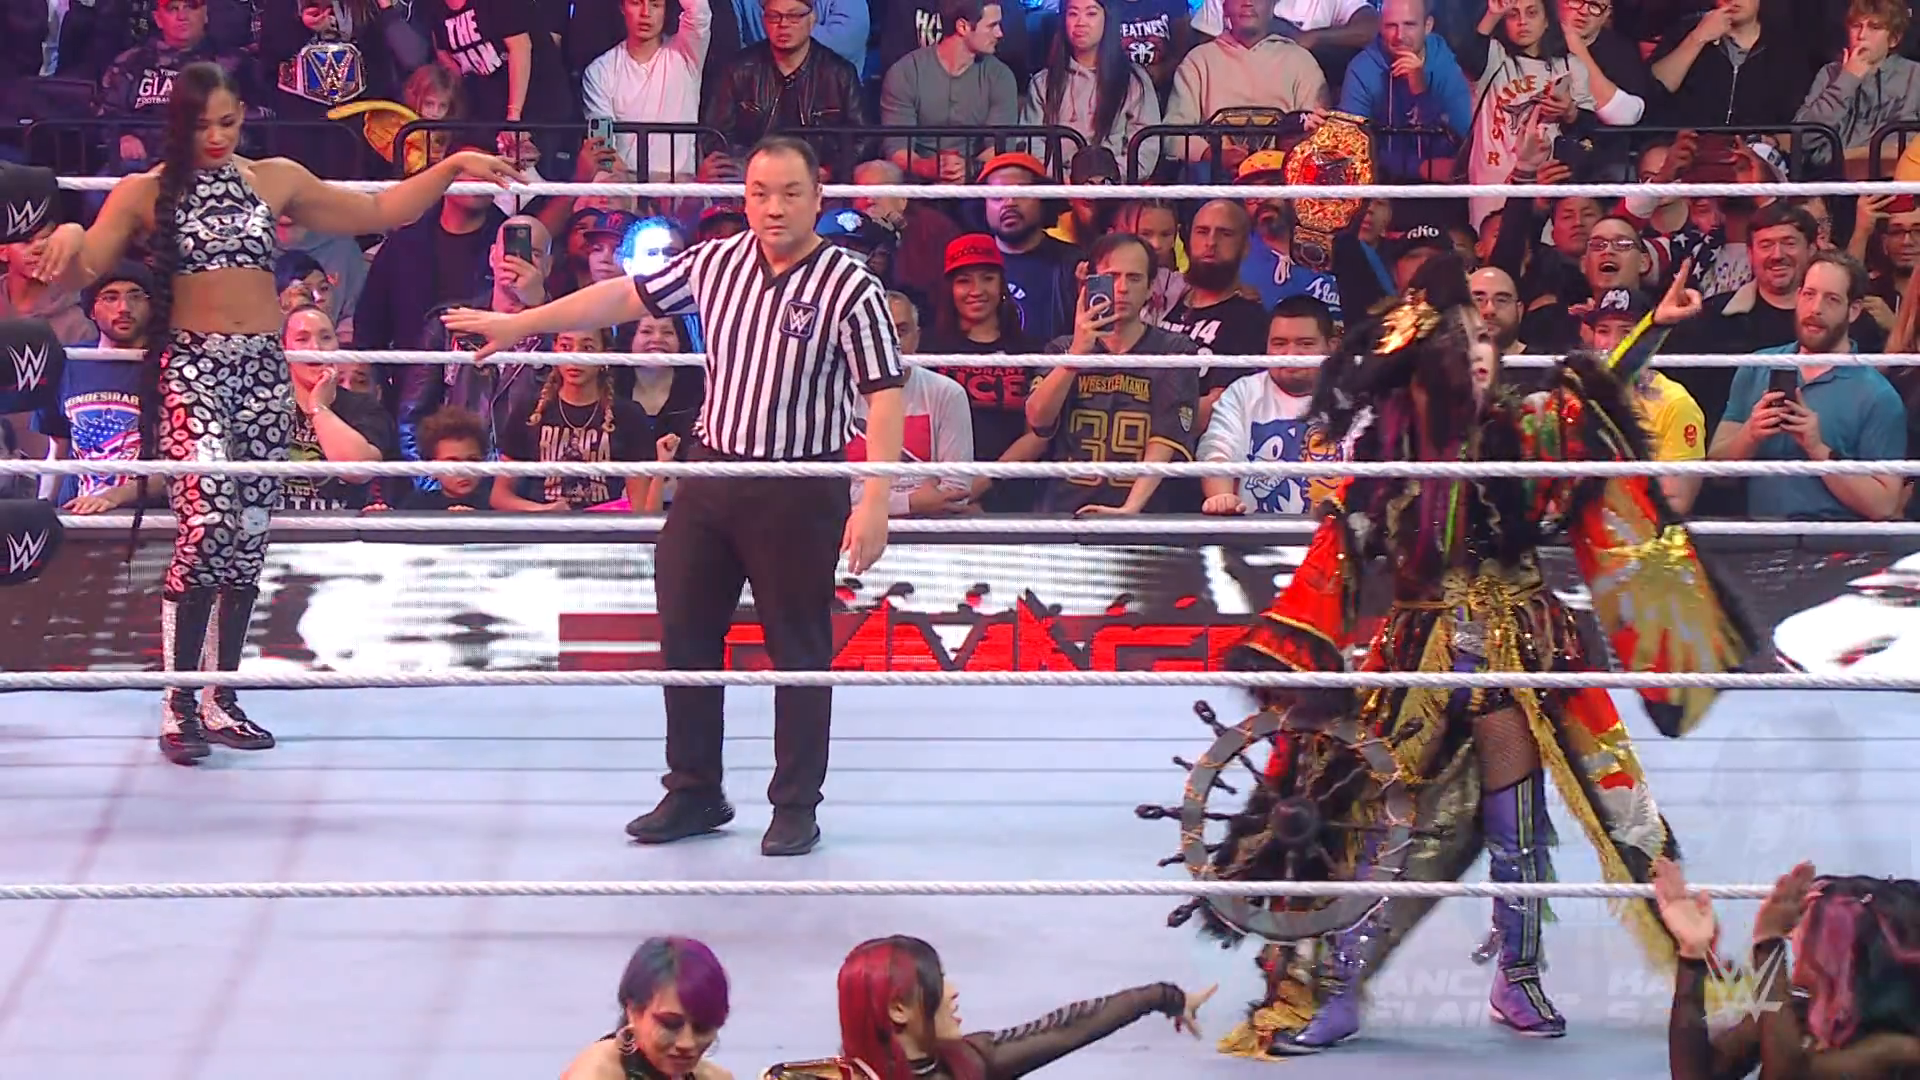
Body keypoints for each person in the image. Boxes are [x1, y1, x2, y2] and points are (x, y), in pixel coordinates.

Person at [1150, 254, 1756, 1056]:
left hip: (1519, 653)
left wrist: (1653, 330)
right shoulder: (1388, 459)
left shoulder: (1527, 431)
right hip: (1418, 661)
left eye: (1485, 342)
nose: (1478, 354)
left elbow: (1593, 400)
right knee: (1379, 828)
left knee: (1522, 824)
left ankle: (1520, 976)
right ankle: (1334, 988)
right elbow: (1338, 553)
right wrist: (1295, 656)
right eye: (1461, 343)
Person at [35, 61, 518, 767]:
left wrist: (450, 167)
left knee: (249, 535)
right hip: (193, 368)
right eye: (203, 126)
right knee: (207, 526)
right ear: (179, 124)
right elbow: (87, 264)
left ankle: (220, 697)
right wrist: (65, 240)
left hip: (263, 367)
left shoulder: (274, 178)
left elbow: (380, 212)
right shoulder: (146, 191)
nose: (217, 137)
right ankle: (178, 700)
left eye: (228, 123)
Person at [443, 135, 904, 858]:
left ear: (818, 197)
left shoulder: (851, 286)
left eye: (790, 193)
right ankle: (694, 789)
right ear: (743, 199)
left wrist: (873, 498)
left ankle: (795, 804)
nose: (774, 208)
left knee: (798, 648)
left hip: (799, 483)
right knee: (685, 632)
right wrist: (521, 322)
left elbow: (884, 394)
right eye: (759, 193)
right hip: (711, 474)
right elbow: (622, 295)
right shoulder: (716, 262)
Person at [761, 935, 1213, 1079]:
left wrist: (1164, 997)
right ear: (898, 1009)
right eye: (938, 981)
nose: (953, 991)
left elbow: (1065, 1027)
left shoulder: (966, 1062)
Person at [1655, 859, 1920, 1080]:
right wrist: (1692, 956)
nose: (1794, 942)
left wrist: (1769, 944)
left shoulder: (1902, 1051)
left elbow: (1787, 1074)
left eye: (1811, 942)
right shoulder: (1800, 1008)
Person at [562, 936, 733, 1080]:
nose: (687, 1043)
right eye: (670, 1024)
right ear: (633, 1011)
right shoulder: (596, 1074)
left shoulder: (714, 1077)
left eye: (702, 1028)